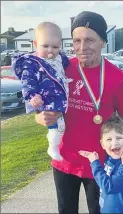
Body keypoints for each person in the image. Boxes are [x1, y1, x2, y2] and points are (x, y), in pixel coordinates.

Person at [35, 11, 123, 214]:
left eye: (90, 40)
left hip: (101, 163)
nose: (82, 47)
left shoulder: (117, 77)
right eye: (77, 40)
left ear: (103, 41)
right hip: (64, 161)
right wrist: (39, 117)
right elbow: (43, 105)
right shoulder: (62, 69)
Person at [12, 22, 71, 160]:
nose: (50, 50)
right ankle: (53, 147)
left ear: (60, 46)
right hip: (46, 99)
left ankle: (55, 143)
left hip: (58, 97)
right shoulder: (32, 62)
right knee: (55, 126)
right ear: (35, 43)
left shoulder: (59, 58)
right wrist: (32, 96)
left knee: (61, 125)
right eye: (45, 46)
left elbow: (65, 66)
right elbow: (28, 81)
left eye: (55, 47)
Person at [79, 114, 123, 213]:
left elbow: (109, 187)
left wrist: (94, 163)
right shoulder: (109, 158)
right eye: (109, 139)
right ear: (102, 144)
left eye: (119, 138)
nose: (114, 143)